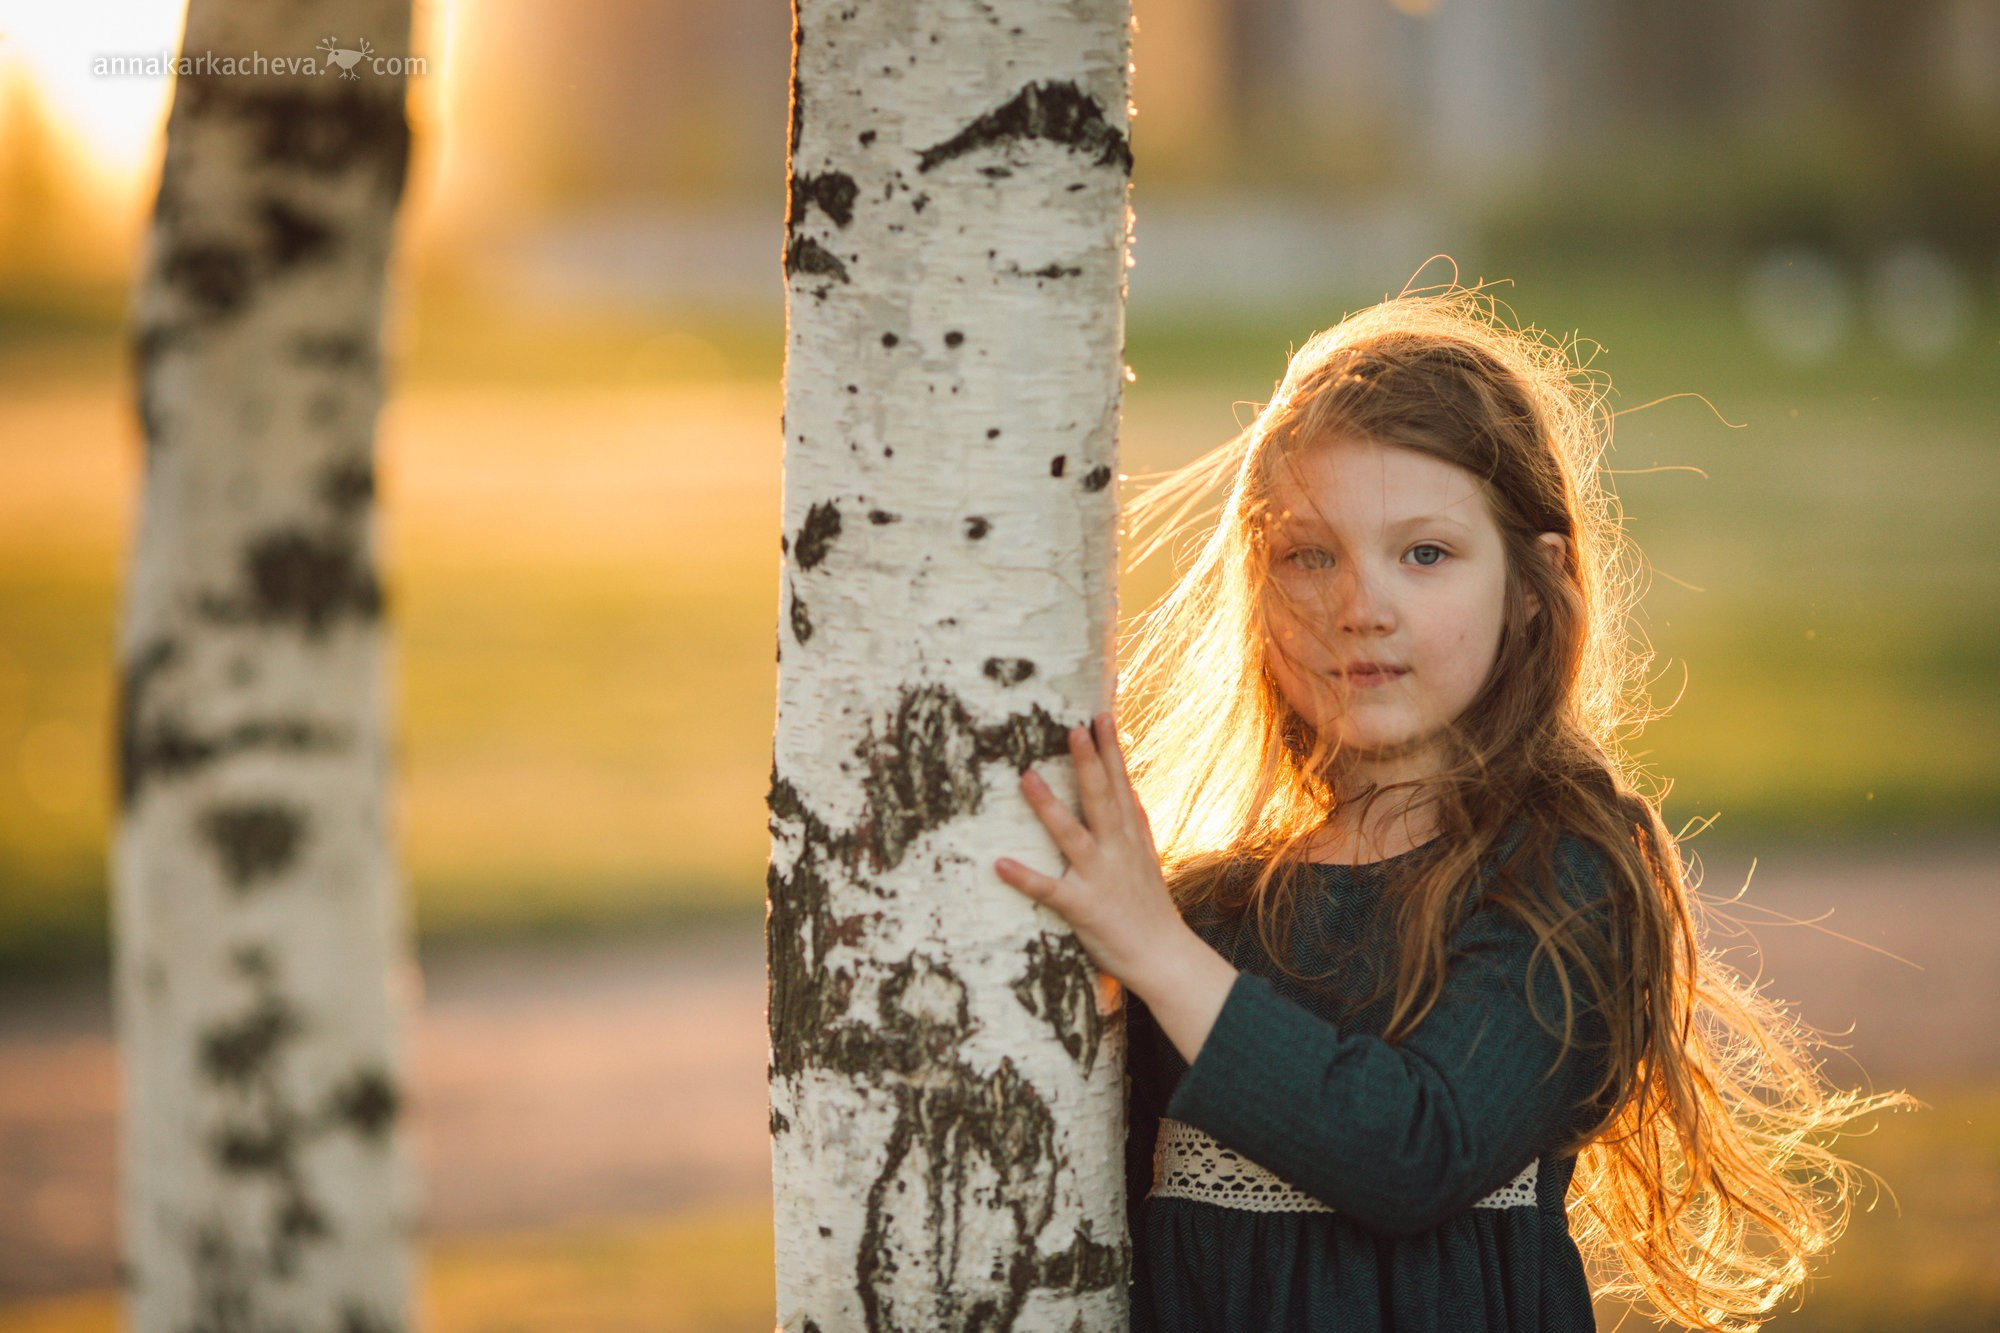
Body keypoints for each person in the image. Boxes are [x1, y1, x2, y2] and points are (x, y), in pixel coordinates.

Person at [993, 286, 1901, 1332]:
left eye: (1422, 554)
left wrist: (1151, 950)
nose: (1357, 605)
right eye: (1306, 555)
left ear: (1531, 578)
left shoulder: (1564, 873)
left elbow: (1411, 1153)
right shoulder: (1205, 907)